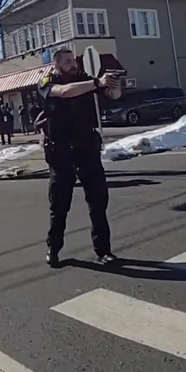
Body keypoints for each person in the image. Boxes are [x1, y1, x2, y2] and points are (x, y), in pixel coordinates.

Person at [38, 48, 122, 267]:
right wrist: (97, 83)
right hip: (61, 152)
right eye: (67, 62)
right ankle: (53, 248)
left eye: (73, 60)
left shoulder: (85, 79)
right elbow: (64, 92)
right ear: (57, 65)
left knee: (98, 202)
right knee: (59, 204)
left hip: (87, 149)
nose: (72, 64)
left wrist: (112, 84)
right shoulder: (47, 81)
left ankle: (104, 251)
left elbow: (113, 96)